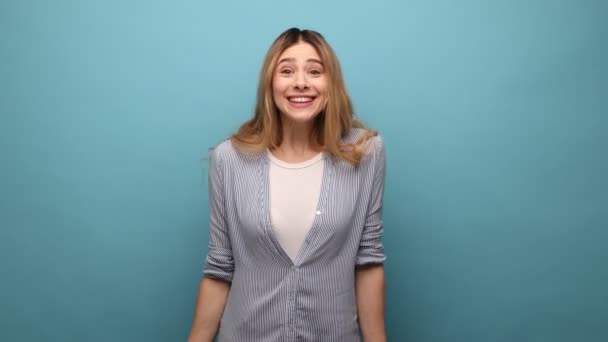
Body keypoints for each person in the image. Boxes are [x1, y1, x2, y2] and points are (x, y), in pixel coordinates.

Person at [188, 27, 387, 342]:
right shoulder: (229, 158)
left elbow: (368, 260)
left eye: (314, 71)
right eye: (287, 71)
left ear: (331, 83)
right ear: (270, 83)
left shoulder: (365, 153)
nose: (301, 83)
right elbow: (219, 268)